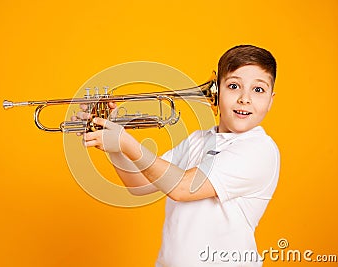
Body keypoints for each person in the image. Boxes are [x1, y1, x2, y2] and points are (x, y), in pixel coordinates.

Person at [76, 45, 280, 266]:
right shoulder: (197, 140)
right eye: (233, 86)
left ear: (271, 100)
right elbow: (140, 183)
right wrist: (115, 145)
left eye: (258, 90)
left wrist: (126, 142)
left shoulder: (259, 149)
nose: (244, 99)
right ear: (217, 92)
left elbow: (183, 188)